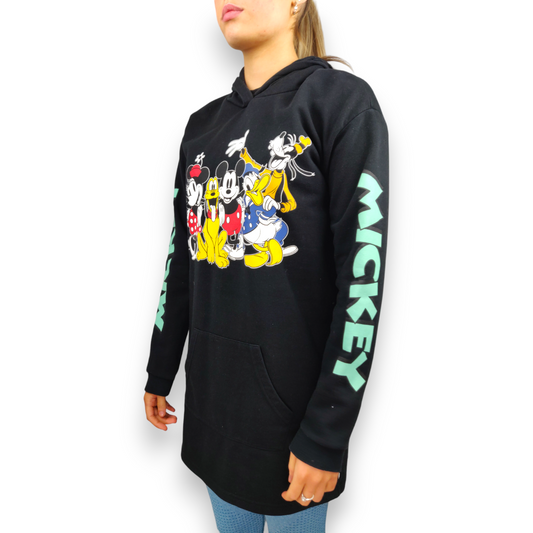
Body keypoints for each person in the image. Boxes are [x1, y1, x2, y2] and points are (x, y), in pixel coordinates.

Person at [143, 0, 389, 531]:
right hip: (211, 416)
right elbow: (181, 260)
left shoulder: (341, 103)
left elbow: (362, 282)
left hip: (293, 430)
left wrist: (326, 433)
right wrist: (161, 367)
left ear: (296, 3)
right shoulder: (202, 127)